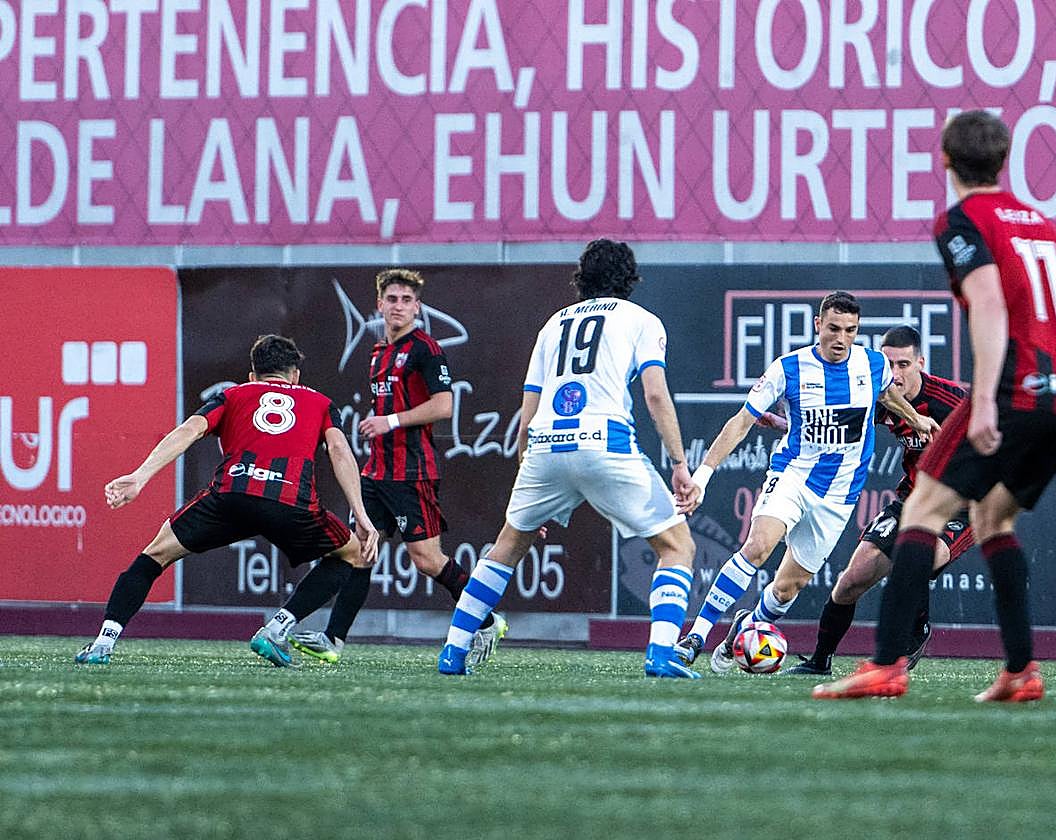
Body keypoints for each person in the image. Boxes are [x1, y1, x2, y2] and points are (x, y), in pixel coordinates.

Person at [813, 110, 1056, 702]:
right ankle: (1021, 671)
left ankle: (887, 664)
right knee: (992, 519)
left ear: (944, 160)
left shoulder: (963, 220)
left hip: (1013, 388)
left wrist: (993, 401)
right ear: (1004, 160)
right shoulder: (1046, 226)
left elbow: (990, 306)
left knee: (919, 509)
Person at [434, 238, 702, 677]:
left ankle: (454, 650)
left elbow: (529, 408)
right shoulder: (641, 319)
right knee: (677, 547)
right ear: (629, 279)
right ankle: (660, 653)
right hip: (605, 442)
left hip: (544, 446)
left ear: (583, 278)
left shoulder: (553, 323)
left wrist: (529, 470)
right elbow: (654, 393)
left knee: (505, 547)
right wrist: (678, 462)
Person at [74, 335, 379, 667]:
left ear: (252, 375)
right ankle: (277, 628)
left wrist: (140, 476)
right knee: (350, 553)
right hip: (290, 501)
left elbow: (189, 430)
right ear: (295, 377)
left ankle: (104, 642)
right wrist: (361, 515)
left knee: (154, 556)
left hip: (231, 497)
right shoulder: (320, 402)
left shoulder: (233, 394)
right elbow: (338, 450)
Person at [673, 292, 937, 675]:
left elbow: (887, 395)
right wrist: (703, 475)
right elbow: (741, 422)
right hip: (794, 475)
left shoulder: (872, 364)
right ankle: (695, 636)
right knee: (759, 546)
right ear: (818, 326)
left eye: (850, 330)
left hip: (840, 494)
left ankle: (741, 633)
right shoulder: (788, 369)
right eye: (833, 328)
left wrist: (914, 418)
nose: (840, 338)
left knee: (785, 590)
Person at [288, 269, 506, 666]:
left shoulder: (425, 348)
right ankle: (333, 640)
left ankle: (487, 620)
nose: (399, 306)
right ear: (380, 305)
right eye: (392, 299)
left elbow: (444, 405)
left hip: (412, 473)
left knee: (426, 561)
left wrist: (390, 421)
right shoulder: (378, 352)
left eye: (407, 300)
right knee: (359, 550)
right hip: (376, 472)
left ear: (417, 307)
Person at [786, 325, 972, 676]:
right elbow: (829, 426)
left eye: (903, 364)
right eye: (889, 365)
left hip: (960, 505)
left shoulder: (952, 402)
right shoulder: (879, 396)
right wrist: (782, 424)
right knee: (851, 580)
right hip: (912, 501)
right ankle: (820, 661)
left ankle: (916, 631)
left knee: (916, 555)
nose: (895, 373)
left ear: (920, 362)